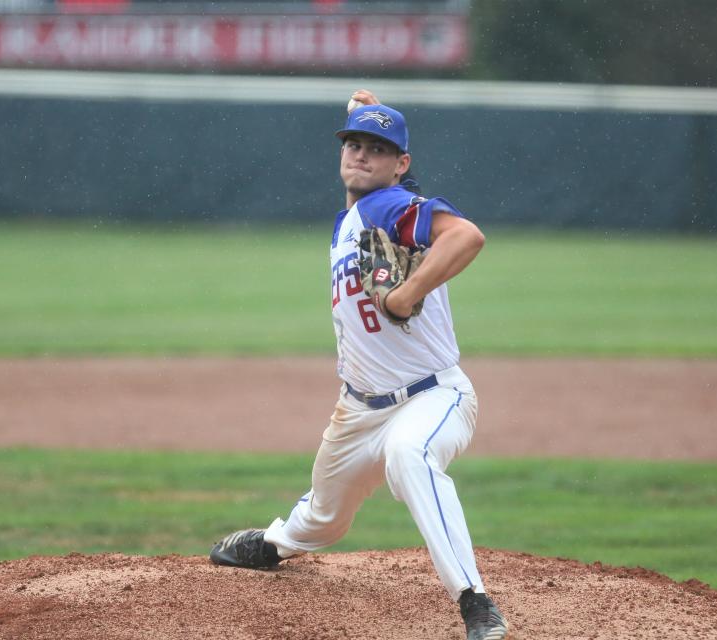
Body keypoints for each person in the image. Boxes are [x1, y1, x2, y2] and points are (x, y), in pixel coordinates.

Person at [209, 90, 509, 640]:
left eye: (378, 148)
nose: (361, 154)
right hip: (359, 410)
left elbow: (467, 236)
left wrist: (406, 292)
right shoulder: (351, 218)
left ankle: (477, 604)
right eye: (354, 144)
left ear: (402, 164)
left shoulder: (387, 207)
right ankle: (275, 543)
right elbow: (378, 179)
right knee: (323, 515)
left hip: (432, 396)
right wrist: (362, 111)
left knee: (408, 455)